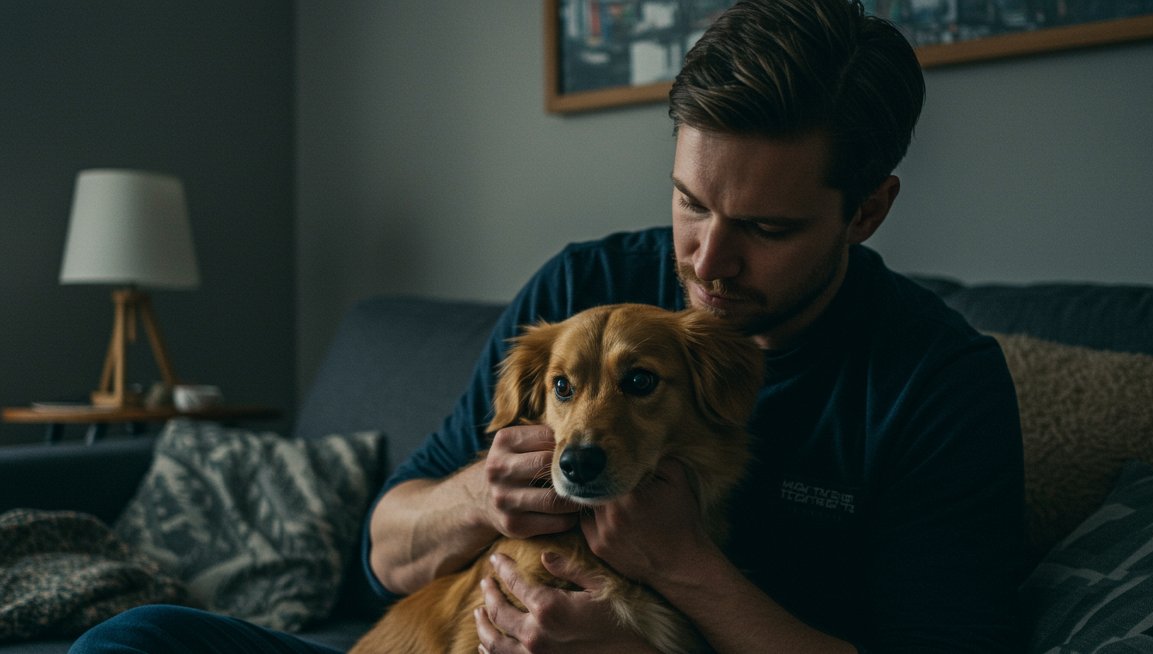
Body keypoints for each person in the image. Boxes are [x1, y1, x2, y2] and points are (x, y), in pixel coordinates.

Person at [72, 0, 1024, 652]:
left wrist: (682, 571)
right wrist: (483, 499)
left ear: (867, 211)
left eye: (767, 230)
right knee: (139, 637)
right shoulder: (584, 289)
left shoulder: (936, 382)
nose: (706, 260)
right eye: (691, 203)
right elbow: (385, 550)